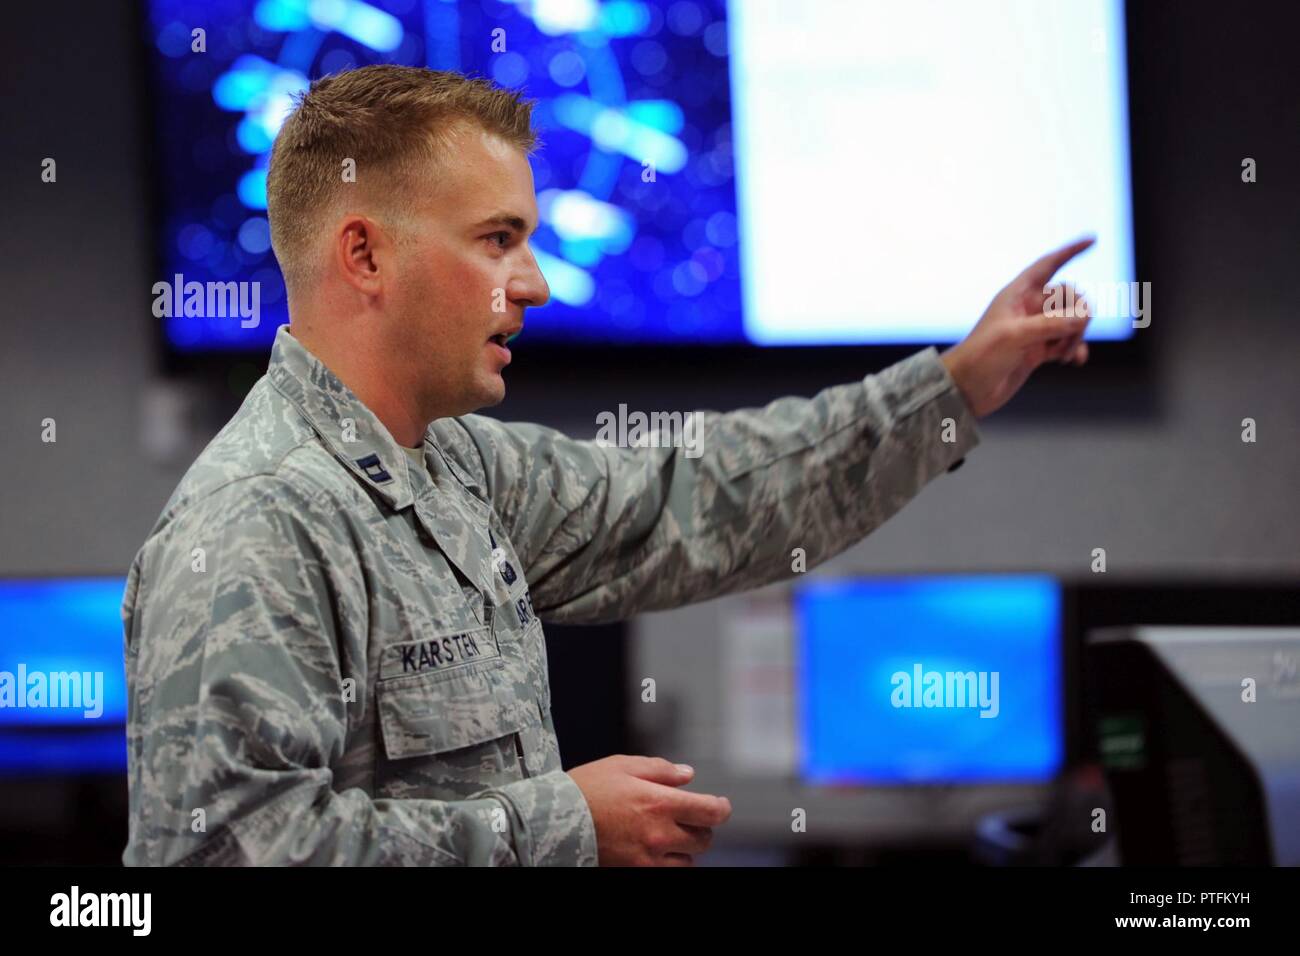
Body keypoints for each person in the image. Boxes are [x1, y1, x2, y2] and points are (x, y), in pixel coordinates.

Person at [121, 65, 1092, 867]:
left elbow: (698, 498)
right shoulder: (261, 518)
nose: (536, 284)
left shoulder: (459, 469)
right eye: (498, 239)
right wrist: (554, 826)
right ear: (365, 255)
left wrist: (954, 387)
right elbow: (221, 855)